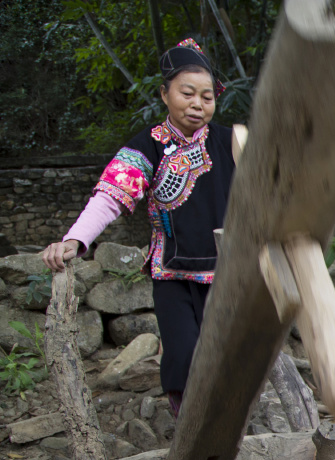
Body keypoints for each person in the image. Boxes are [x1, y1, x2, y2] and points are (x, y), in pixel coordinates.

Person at [41, 39, 235, 416]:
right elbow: (110, 196)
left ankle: (229, 427)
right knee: (183, 354)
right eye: (187, 93)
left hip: (229, 272)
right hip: (172, 273)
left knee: (227, 356)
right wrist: (75, 240)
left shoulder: (232, 142)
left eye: (207, 97)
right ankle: (190, 427)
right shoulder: (146, 147)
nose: (198, 104)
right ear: (164, 94)